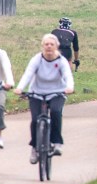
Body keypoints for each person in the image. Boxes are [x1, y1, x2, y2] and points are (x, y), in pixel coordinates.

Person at [15, 34, 75, 162]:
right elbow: (28, 74)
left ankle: (57, 143)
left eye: (51, 44)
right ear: (42, 46)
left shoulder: (61, 61)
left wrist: (69, 87)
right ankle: (35, 148)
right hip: (36, 93)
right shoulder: (37, 59)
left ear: (56, 46)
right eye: (46, 44)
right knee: (35, 119)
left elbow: (68, 76)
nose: (49, 47)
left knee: (56, 112)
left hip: (57, 92)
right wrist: (20, 88)